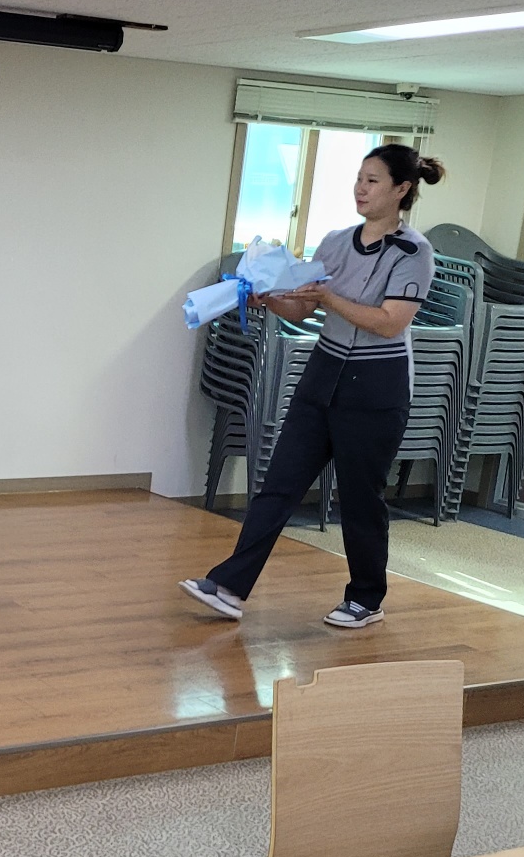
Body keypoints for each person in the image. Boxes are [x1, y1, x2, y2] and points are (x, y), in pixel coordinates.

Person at [181, 144, 445, 629]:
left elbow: (390, 322)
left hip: (376, 386)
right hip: (322, 376)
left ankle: (366, 599)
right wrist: (269, 299)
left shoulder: (415, 252)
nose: (360, 189)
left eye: (372, 181)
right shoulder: (335, 242)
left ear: (402, 189)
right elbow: (304, 308)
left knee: (361, 498)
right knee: (278, 485)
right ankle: (230, 585)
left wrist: (329, 297)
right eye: (359, 178)